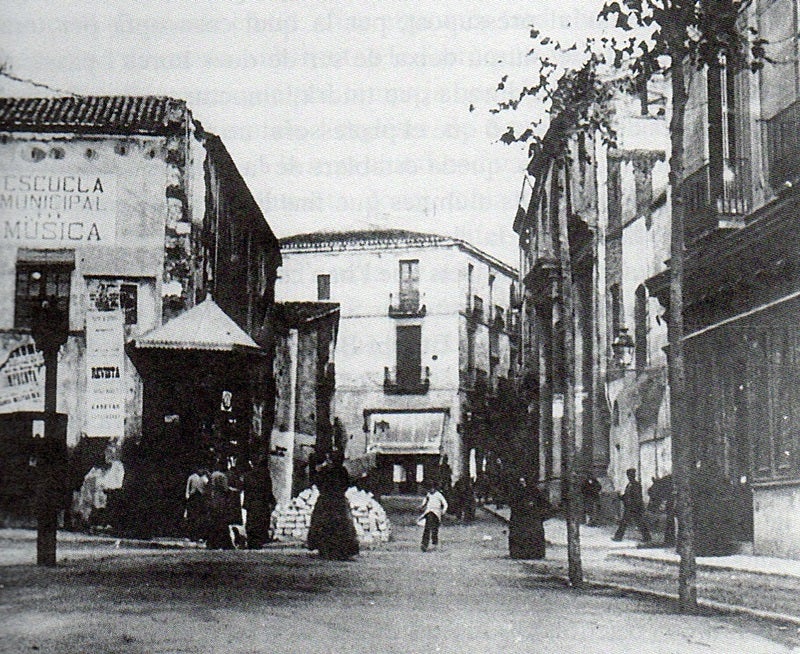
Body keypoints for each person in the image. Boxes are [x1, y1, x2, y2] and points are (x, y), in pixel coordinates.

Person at [307, 450, 359, 560]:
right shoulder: (342, 471)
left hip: (325, 501)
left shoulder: (324, 470)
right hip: (339, 501)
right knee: (341, 526)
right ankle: (341, 550)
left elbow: (317, 482)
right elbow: (346, 484)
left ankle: (325, 549)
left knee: (324, 525)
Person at [508, 476, 549, 559]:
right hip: (519, 518)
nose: (522, 484)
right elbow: (512, 503)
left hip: (532, 518)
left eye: (524, 482)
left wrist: (536, 509)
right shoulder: (516, 492)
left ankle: (535, 554)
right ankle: (519, 554)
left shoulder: (535, 491)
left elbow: (544, 504)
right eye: (520, 482)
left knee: (533, 535)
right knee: (519, 535)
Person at [243, 456, 276, 549]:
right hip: (261, 503)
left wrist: (246, 503)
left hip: (251, 503)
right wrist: (272, 501)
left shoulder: (247, 476)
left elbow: (245, 490)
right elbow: (268, 491)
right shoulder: (265, 476)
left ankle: (251, 541)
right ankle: (258, 541)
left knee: (251, 521)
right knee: (261, 522)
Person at [612, 467, 652, 543]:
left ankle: (647, 537)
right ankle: (618, 537)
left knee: (639, 523)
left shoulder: (636, 485)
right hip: (629, 507)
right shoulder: (629, 485)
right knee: (626, 523)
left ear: (633, 475)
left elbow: (637, 497)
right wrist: (620, 497)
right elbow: (627, 496)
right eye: (628, 475)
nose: (629, 477)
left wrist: (636, 507)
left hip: (634, 508)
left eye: (631, 475)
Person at [206, 464, 234, 549]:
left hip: (213, 499)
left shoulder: (212, 475)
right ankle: (226, 543)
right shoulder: (222, 476)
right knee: (222, 522)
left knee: (214, 522)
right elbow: (225, 489)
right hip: (221, 500)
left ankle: (212, 543)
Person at [419, 479, 448, 552]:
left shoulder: (438, 494)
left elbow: (445, 504)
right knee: (427, 528)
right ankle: (424, 544)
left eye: (432, 488)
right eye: (429, 489)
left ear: (434, 488)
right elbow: (425, 501)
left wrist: (443, 511)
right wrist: (422, 506)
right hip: (429, 512)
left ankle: (434, 542)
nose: (430, 490)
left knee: (435, 529)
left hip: (436, 513)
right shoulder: (428, 494)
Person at [185, 465, 209, 542]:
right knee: (192, 517)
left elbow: (208, 488)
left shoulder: (205, 478)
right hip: (193, 498)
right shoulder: (192, 477)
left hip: (201, 498)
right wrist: (187, 497)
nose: (200, 470)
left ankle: (201, 535)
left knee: (201, 517)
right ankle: (191, 536)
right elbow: (187, 488)